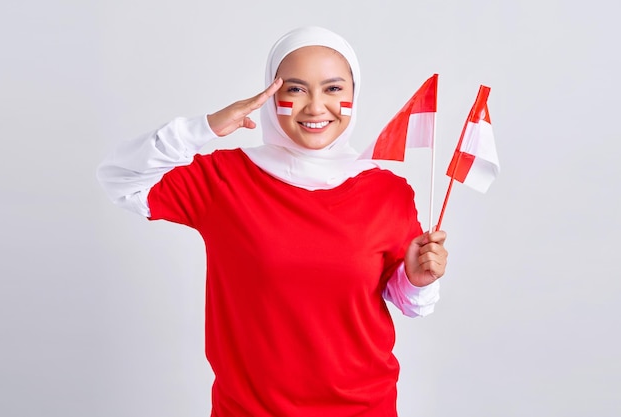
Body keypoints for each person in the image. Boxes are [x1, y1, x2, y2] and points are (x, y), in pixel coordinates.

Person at [97, 26, 448, 417]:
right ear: (270, 93)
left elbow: (404, 302)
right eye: (295, 89)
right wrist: (206, 127)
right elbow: (120, 178)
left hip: (364, 408)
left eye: (333, 89)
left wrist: (415, 281)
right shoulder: (225, 180)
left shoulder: (388, 191)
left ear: (354, 93)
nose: (315, 107)